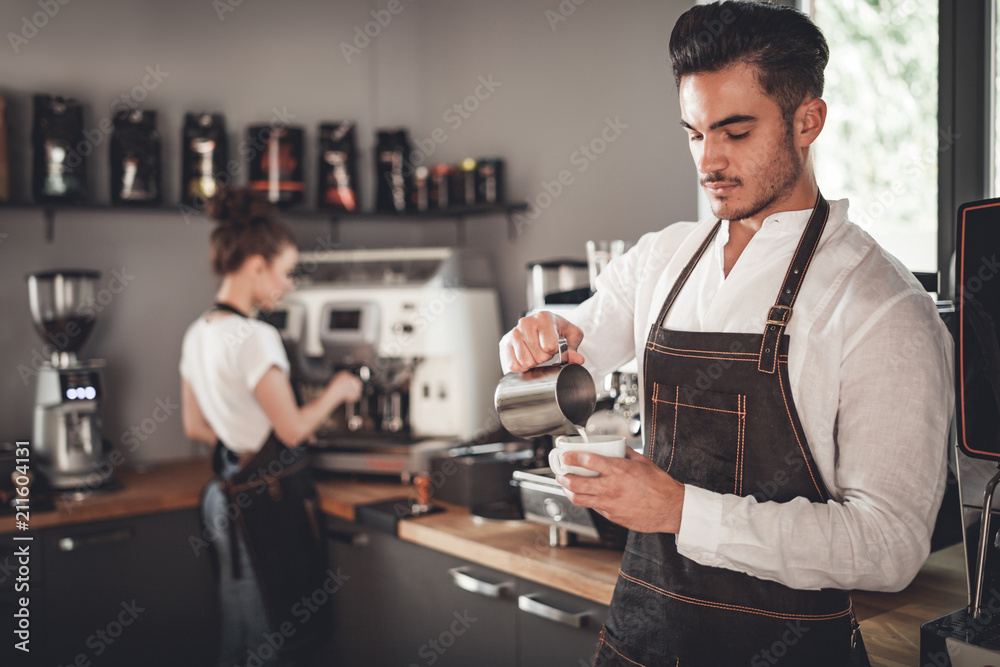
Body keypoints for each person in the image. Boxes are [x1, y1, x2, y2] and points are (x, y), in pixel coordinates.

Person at [500, 2, 954, 665]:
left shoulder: (880, 305)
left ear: (809, 121)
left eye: (735, 133)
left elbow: (889, 546)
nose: (708, 160)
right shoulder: (663, 259)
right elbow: (554, 371)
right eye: (693, 132)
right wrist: (534, 347)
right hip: (638, 644)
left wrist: (681, 509)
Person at [179, 187, 362, 666]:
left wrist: (243, 429)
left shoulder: (198, 332)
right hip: (267, 506)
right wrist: (338, 391)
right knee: (274, 641)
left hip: (224, 496)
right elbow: (294, 429)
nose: (289, 285)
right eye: (285, 273)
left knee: (238, 636)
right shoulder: (257, 337)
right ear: (256, 264)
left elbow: (196, 425)